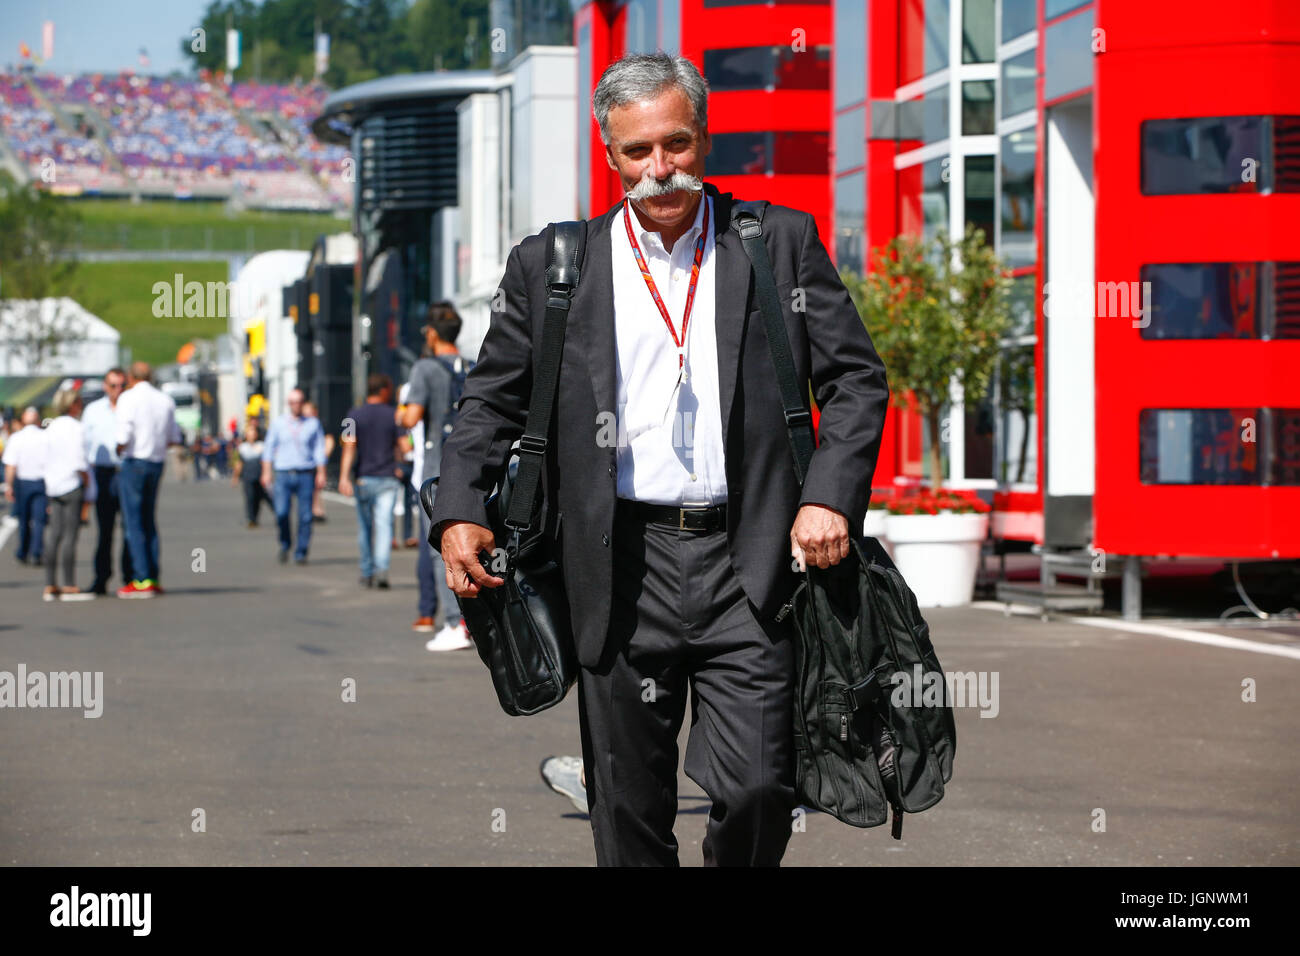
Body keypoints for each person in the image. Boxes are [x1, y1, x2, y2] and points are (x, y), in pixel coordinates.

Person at [429, 54, 890, 866]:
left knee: (756, 787)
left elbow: (854, 378)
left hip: (748, 564)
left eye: (675, 144)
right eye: (637, 152)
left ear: (703, 140)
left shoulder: (777, 245)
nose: (659, 168)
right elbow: (491, 399)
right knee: (628, 808)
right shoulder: (553, 267)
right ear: (609, 156)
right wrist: (459, 507)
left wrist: (831, 497)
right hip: (615, 568)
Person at [402, 303, 474, 650]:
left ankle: (454, 623)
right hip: (474, 466)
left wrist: (403, 411)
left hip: (436, 467)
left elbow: (411, 416)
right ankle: (476, 622)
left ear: (431, 333)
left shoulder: (425, 368)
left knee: (439, 547)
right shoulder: (474, 365)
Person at [115, 361, 184, 598]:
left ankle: (141, 577)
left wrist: (118, 448)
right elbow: (174, 436)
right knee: (149, 519)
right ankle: (152, 575)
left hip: (135, 460)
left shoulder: (128, 398)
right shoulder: (165, 400)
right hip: (156, 461)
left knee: (133, 522)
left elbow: (124, 433)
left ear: (131, 378)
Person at [338, 374, 403, 589]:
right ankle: (382, 570)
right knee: (385, 526)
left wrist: (343, 477)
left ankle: (367, 571)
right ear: (383, 390)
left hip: (363, 478)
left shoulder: (352, 415)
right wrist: (400, 463)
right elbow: (405, 446)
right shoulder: (394, 415)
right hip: (387, 478)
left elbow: (348, 447)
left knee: (365, 528)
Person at [81, 368, 134, 594]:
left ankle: (130, 576)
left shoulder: (131, 407)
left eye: (121, 385)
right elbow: (84, 444)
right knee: (105, 530)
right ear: (105, 386)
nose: (117, 390)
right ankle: (101, 577)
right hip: (103, 472)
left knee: (130, 527)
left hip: (126, 470)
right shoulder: (93, 411)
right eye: (113, 385)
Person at [261, 388, 326, 565]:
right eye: (293, 402)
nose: (296, 405)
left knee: (305, 516)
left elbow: (319, 449)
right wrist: (266, 472)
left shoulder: (313, 424)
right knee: (281, 512)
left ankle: (301, 551)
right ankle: (285, 543)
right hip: (283, 473)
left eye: (299, 402)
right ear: (288, 404)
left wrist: (321, 472)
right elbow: (268, 449)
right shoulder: (278, 423)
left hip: (305, 473)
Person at [41, 388, 93, 602]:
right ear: (73, 404)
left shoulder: (50, 428)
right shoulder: (76, 428)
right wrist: (88, 482)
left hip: (53, 484)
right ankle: (69, 583)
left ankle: (50, 583)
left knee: (54, 535)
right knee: (70, 535)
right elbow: (80, 460)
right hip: (71, 484)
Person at [3, 407, 48, 566]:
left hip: (23, 482)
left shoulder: (17, 438)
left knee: (24, 519)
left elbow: (11, 465)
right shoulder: (45, 437)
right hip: (41, 482)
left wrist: (9, 485)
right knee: (39, 519)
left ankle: (23, 550)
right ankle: (36, 551)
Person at [232, 420, 269, 527]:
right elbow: (239, 463)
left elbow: (265, 462)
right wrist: (235, 477)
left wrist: (266, 474)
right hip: (248, 476)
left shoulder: (262, 446)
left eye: (253, 432)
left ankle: (277, 515)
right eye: (249, 432)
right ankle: (251, 518)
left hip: (259, 475)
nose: (251, 435)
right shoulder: (242, 447)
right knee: (250, 497)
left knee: (261, 497)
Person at [301, 399, 332, 523]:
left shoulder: (320, 424)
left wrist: (323, 458)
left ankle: (316, 509)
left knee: (316, 487)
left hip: (316, 461)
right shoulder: (300, 425)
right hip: (304, 461)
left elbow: (329, 441)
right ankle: (311, 509)